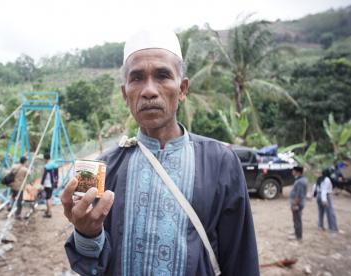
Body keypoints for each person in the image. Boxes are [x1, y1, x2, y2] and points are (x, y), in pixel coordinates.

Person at [61, 29, 259, 275]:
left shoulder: (220, 161)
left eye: (163, 76)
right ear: (125, 94)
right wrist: (85, 233)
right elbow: (90, 264)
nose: (149, 91)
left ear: (183, 89)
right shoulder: (100, 169)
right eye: (137, 78)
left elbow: (240, 258)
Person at [314, 169, 339, 233]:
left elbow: (315, 188)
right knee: (330, 213)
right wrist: (324, 200)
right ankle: (332, 228)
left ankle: (320, 226)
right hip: (324, 196)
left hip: (318, 196)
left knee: (321, 212)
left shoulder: (319, 179)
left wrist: (314, 196)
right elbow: (324, 190)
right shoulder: (326, 179)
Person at [289, 166, 308, 241]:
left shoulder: (300, 182)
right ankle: (296, 232)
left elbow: (299, 195)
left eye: (293, 171)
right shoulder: (300, 179)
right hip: (297, 203)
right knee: (295, 219)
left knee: (297, 219)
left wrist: (295, 204)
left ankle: (298, 236)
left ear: (298, 172)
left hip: (298, 204)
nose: (292, 172)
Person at [41, 153, 58, 218]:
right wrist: (56, 183)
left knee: (47, 198)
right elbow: (57, 175)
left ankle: (49, 213)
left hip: (47, 184)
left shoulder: (47, 166)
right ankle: (48, 210)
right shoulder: (55, 165)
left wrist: (41, 184)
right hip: (53, 183)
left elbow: (44, 176)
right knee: (50, 197)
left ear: (45, 158)